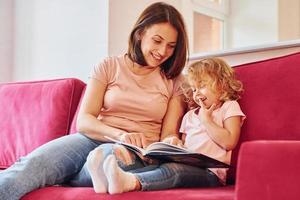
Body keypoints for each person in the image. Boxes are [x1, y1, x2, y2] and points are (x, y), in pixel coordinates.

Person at [0, 2, 188, 199]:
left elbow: (168, 133)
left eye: (171, 46)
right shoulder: (108, 65)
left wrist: (171, 142)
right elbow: (85, 120)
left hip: (135, 151)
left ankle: (70, 174)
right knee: (33, 164)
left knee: (105, 160)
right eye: (157, 41)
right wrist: (120, 134)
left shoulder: (174, 81)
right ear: (140, 33)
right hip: (92, 138)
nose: (163, 51)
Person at [87, 57, 246, 194]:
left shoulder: (229, 107)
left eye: (202, 86)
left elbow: (229, 141)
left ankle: (130, 181)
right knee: (162, 167)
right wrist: (176, 145)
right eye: (194, 89)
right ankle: (110, 179)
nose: (196, 94)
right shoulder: (190, 116)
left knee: (174, 172)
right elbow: (185, 146)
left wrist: (207, 120)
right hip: (188, 166)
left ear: (222, 83)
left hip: (212, 175)